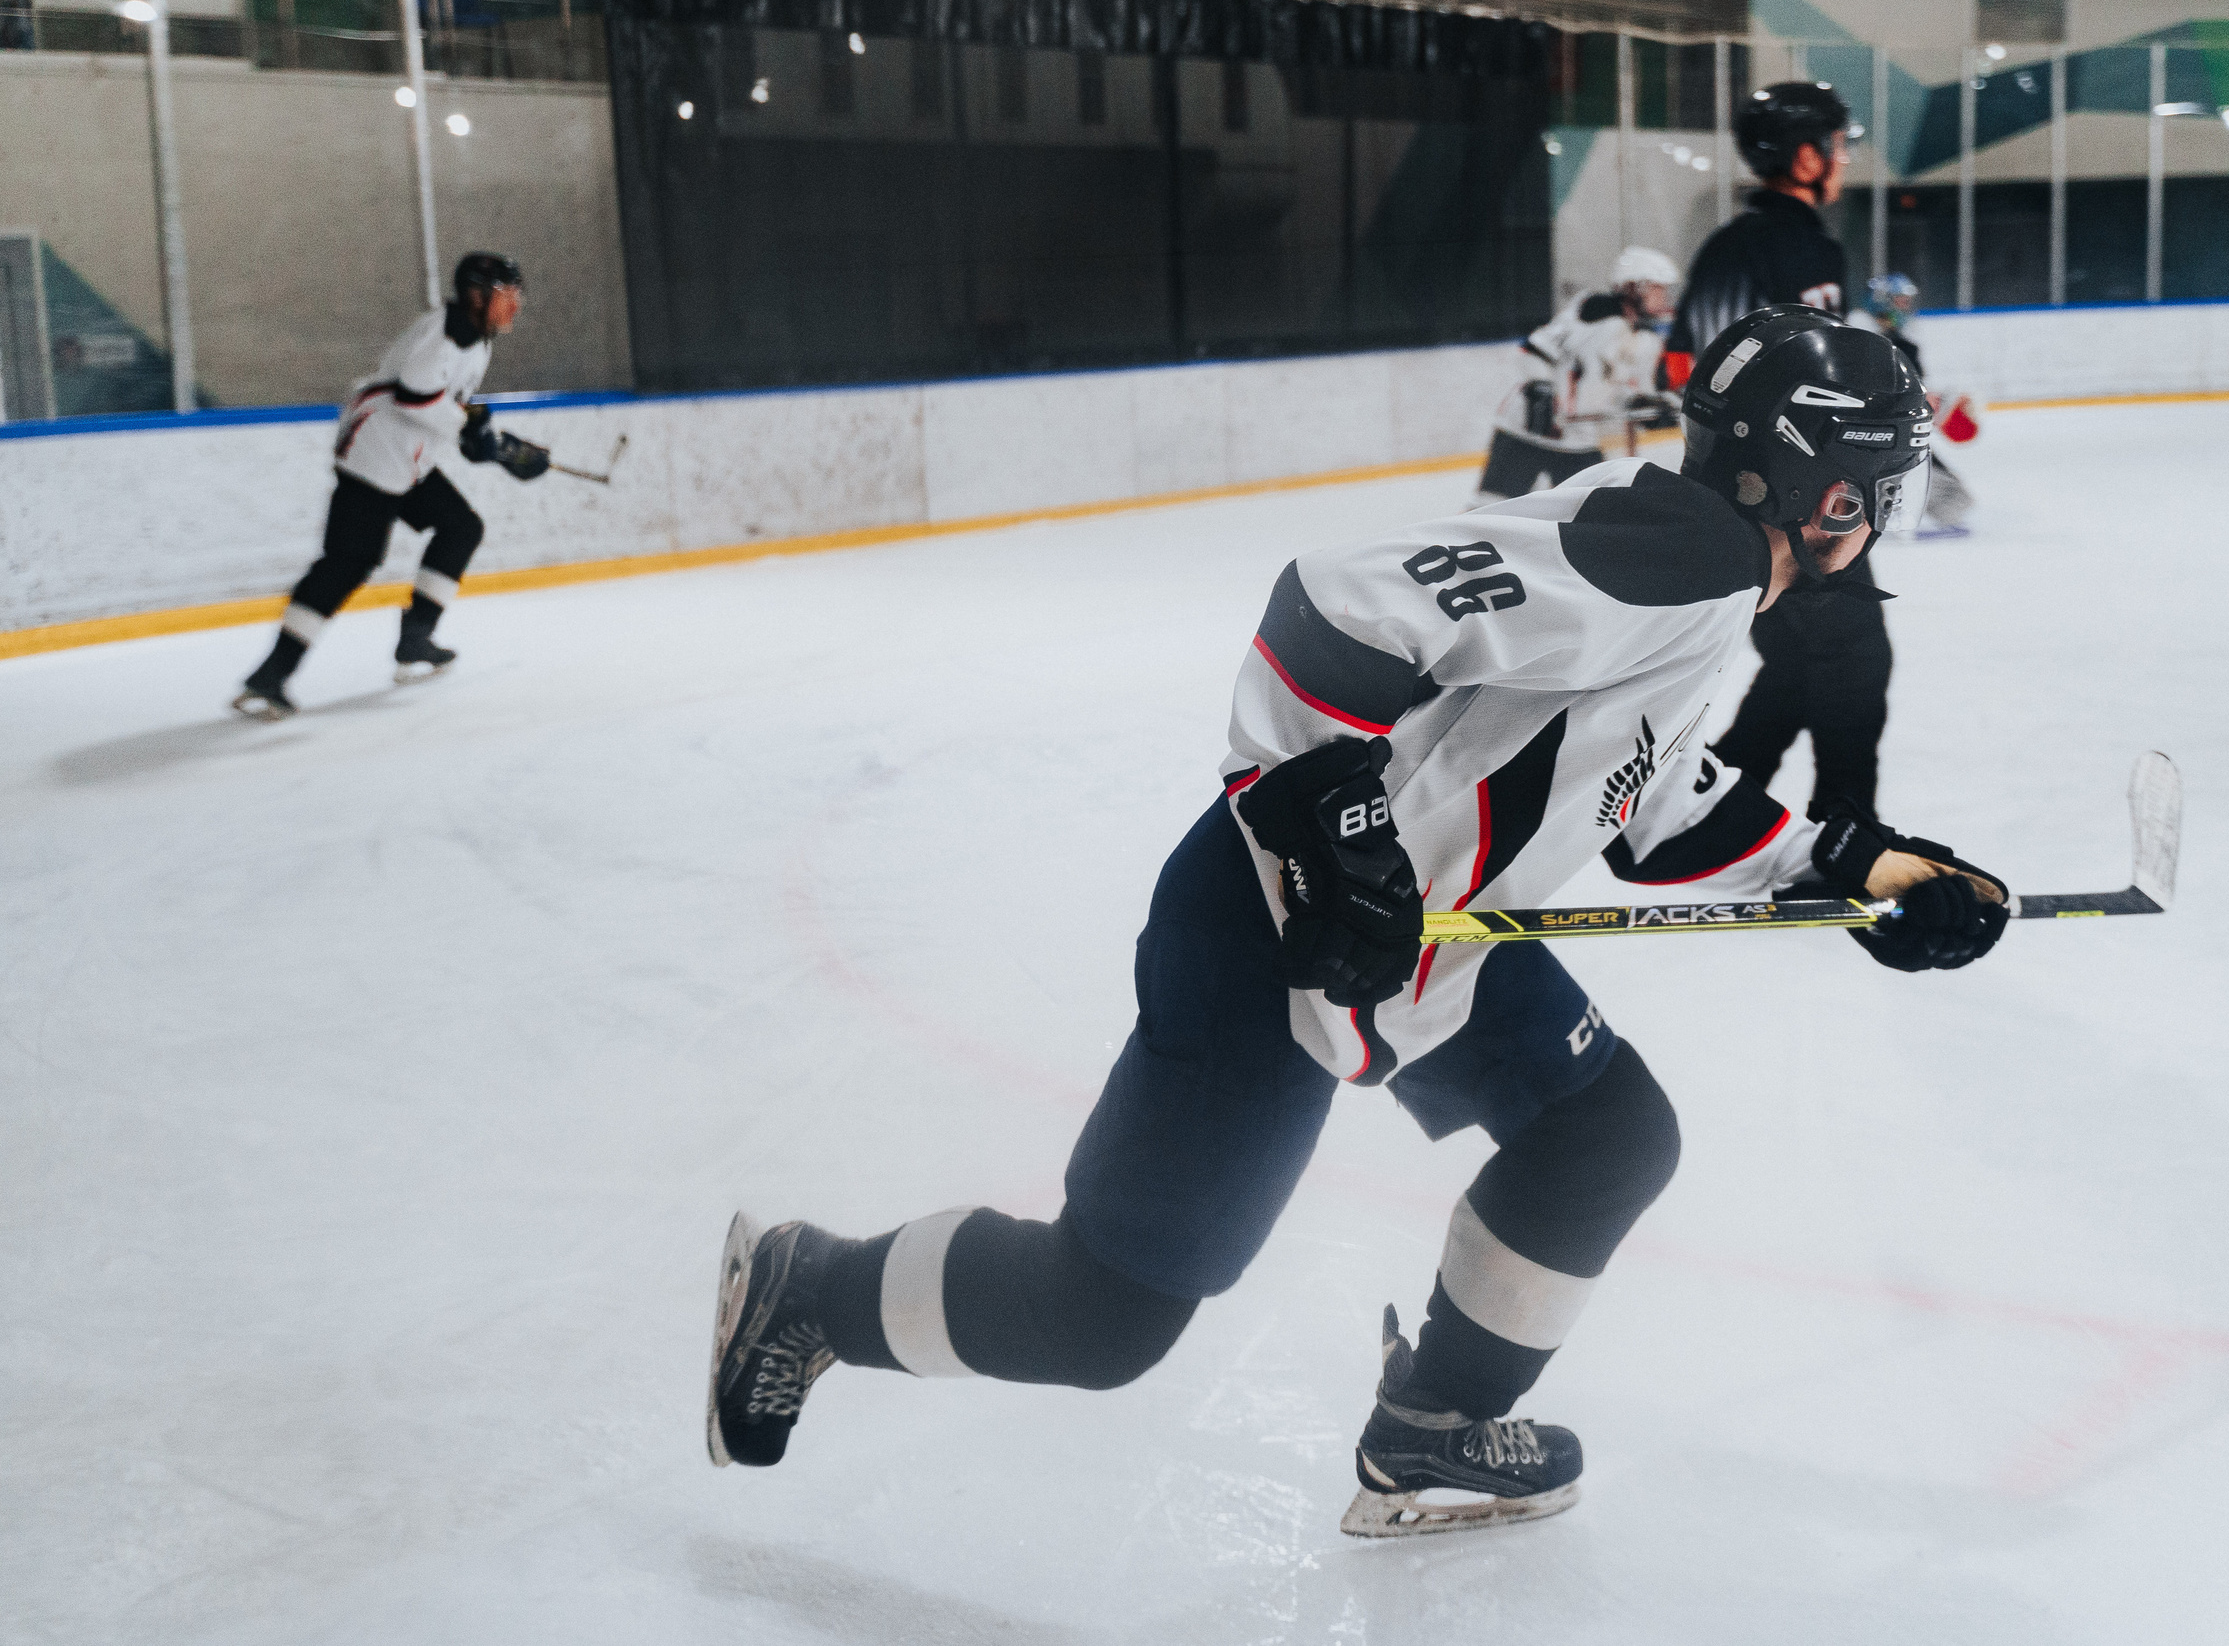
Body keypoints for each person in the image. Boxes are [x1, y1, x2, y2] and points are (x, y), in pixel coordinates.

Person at [702, 309, 2008, 1541]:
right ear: (1829, 490)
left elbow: (1647, 793)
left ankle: (1432, 1426)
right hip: (1275, 926)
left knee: (1603, 1132)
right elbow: (1330, 607)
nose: (1875, 514)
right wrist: (1340, 829)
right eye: (1871, 485)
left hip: (1414, 938)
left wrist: (1861, 866)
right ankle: (807, 1287)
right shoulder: (1696, 557)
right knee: (1104, 1318)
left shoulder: (1697, 567)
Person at [1668, 81, 1896, 819]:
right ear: (1805, 155)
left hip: (1721, 495)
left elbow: (1678, 369)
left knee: (1798, 660)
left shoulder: (1721, 248)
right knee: (1855, 660)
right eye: (1837, 144)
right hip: (1803, 501)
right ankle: (1850, 832)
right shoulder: (1804, 246)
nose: (1844, 159)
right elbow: (1829, 389)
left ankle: (1721, 794)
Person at [231, 252, 552, 720]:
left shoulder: (477, 339)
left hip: (406, 463)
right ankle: (270, 675)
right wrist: (475, 432)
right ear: (477, 296)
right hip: (372, 458)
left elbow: (446, 408)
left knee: (461, 527)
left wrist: (491, 444)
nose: (515, 307)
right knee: (349, 562)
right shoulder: (446, 335)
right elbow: (413, 398)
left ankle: (415, 639)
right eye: (507, 297)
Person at [1468, 246, 1679, 507]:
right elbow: (1536, 350)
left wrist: (1646, 407)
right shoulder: (1591, 311)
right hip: (1526, 431)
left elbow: (1622, 391)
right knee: (1489, 507)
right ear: (1633, 287)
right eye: (1658, 289)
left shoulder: (1649, 341)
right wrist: (1541, 389)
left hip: (1579, 440)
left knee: (1596, 512)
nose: (1664, 297)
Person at [1851, 272, 1977, 538]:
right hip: (1872, 438)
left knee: (1956, 501)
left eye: (1906, 301)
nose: (1904, 307)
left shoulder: (1900, 342)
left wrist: (1941, 402)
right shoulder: (1861, 339)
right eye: (1898, 301)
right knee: (1951, 500)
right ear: (1881, 302)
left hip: (1886, 436)